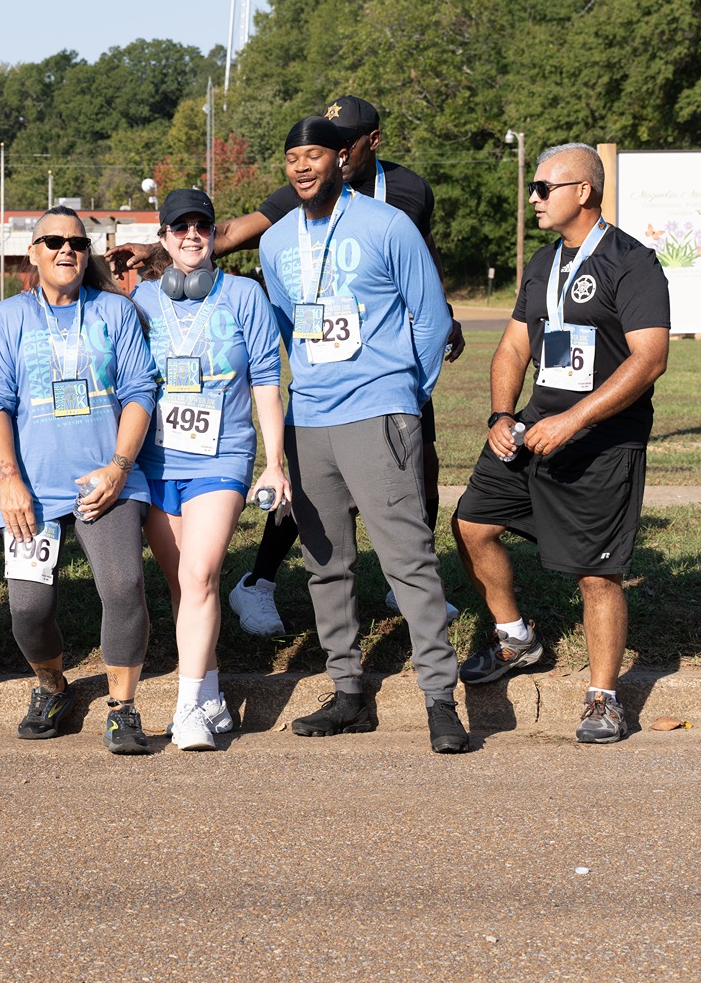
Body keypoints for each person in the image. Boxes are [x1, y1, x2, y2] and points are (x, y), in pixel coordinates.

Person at [109, 97, 462, 638]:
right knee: (305, 491)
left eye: (338, 145)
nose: (315, 161)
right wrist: (160, 249)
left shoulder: (408, 191)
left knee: (422, 467)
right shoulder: (296, 196)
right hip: (321, 387)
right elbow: (229, 233)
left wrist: (427, 341)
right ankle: (261, 580)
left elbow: (425, 255)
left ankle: (406, 581)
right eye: (302, 153)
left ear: (368, 143)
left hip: (389, 376)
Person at [260, 118, 468, 754]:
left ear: (340, 159)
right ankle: (348, 692)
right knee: (326, 565)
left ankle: (440, 700)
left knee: (408, 560)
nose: (302, 167)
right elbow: (286, 328)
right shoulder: (275, 242)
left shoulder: (387, 225)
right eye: (293, 158)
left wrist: (406, 394)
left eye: (314, 155)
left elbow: (430, 319)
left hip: (379, 413)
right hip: (309, 420)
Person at [452, 143, 670, 745]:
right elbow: (514, 346)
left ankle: (604, 698)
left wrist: (574, 421)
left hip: (602, 441)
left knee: (597, 575)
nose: (533, 198)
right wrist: (502, 414)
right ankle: (516, 639)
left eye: (544, 188)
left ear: (583, 191)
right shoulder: (544, 262)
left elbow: (650, 360)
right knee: (471, 524)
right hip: (534, 429)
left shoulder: (633, 263)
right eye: (535, 187)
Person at [0, 206, 158, 754]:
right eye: (53, 241)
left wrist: (119, 467)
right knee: (28, 610)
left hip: (105, 480)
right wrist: (8, 479)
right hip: (31, 486)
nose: (65, 251)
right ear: (32, 253)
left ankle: (122, 708)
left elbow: (140, 391)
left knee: (123, 587)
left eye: (77, 243)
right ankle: (53, 687)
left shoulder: (114, 311)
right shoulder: (7, 317)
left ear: (87, 254)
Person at [132, 189, 288, 751]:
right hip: (155, 460)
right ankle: (213, 695)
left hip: (221, 456)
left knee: (200, 575)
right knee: (184, 585)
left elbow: (267, 381)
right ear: (164, 237)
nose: (191, 235)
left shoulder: (244, 295)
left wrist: (274, 463)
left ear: (215, 234)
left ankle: (187, 708)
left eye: (201, 225)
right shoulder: (142, 300)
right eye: (180, 227)